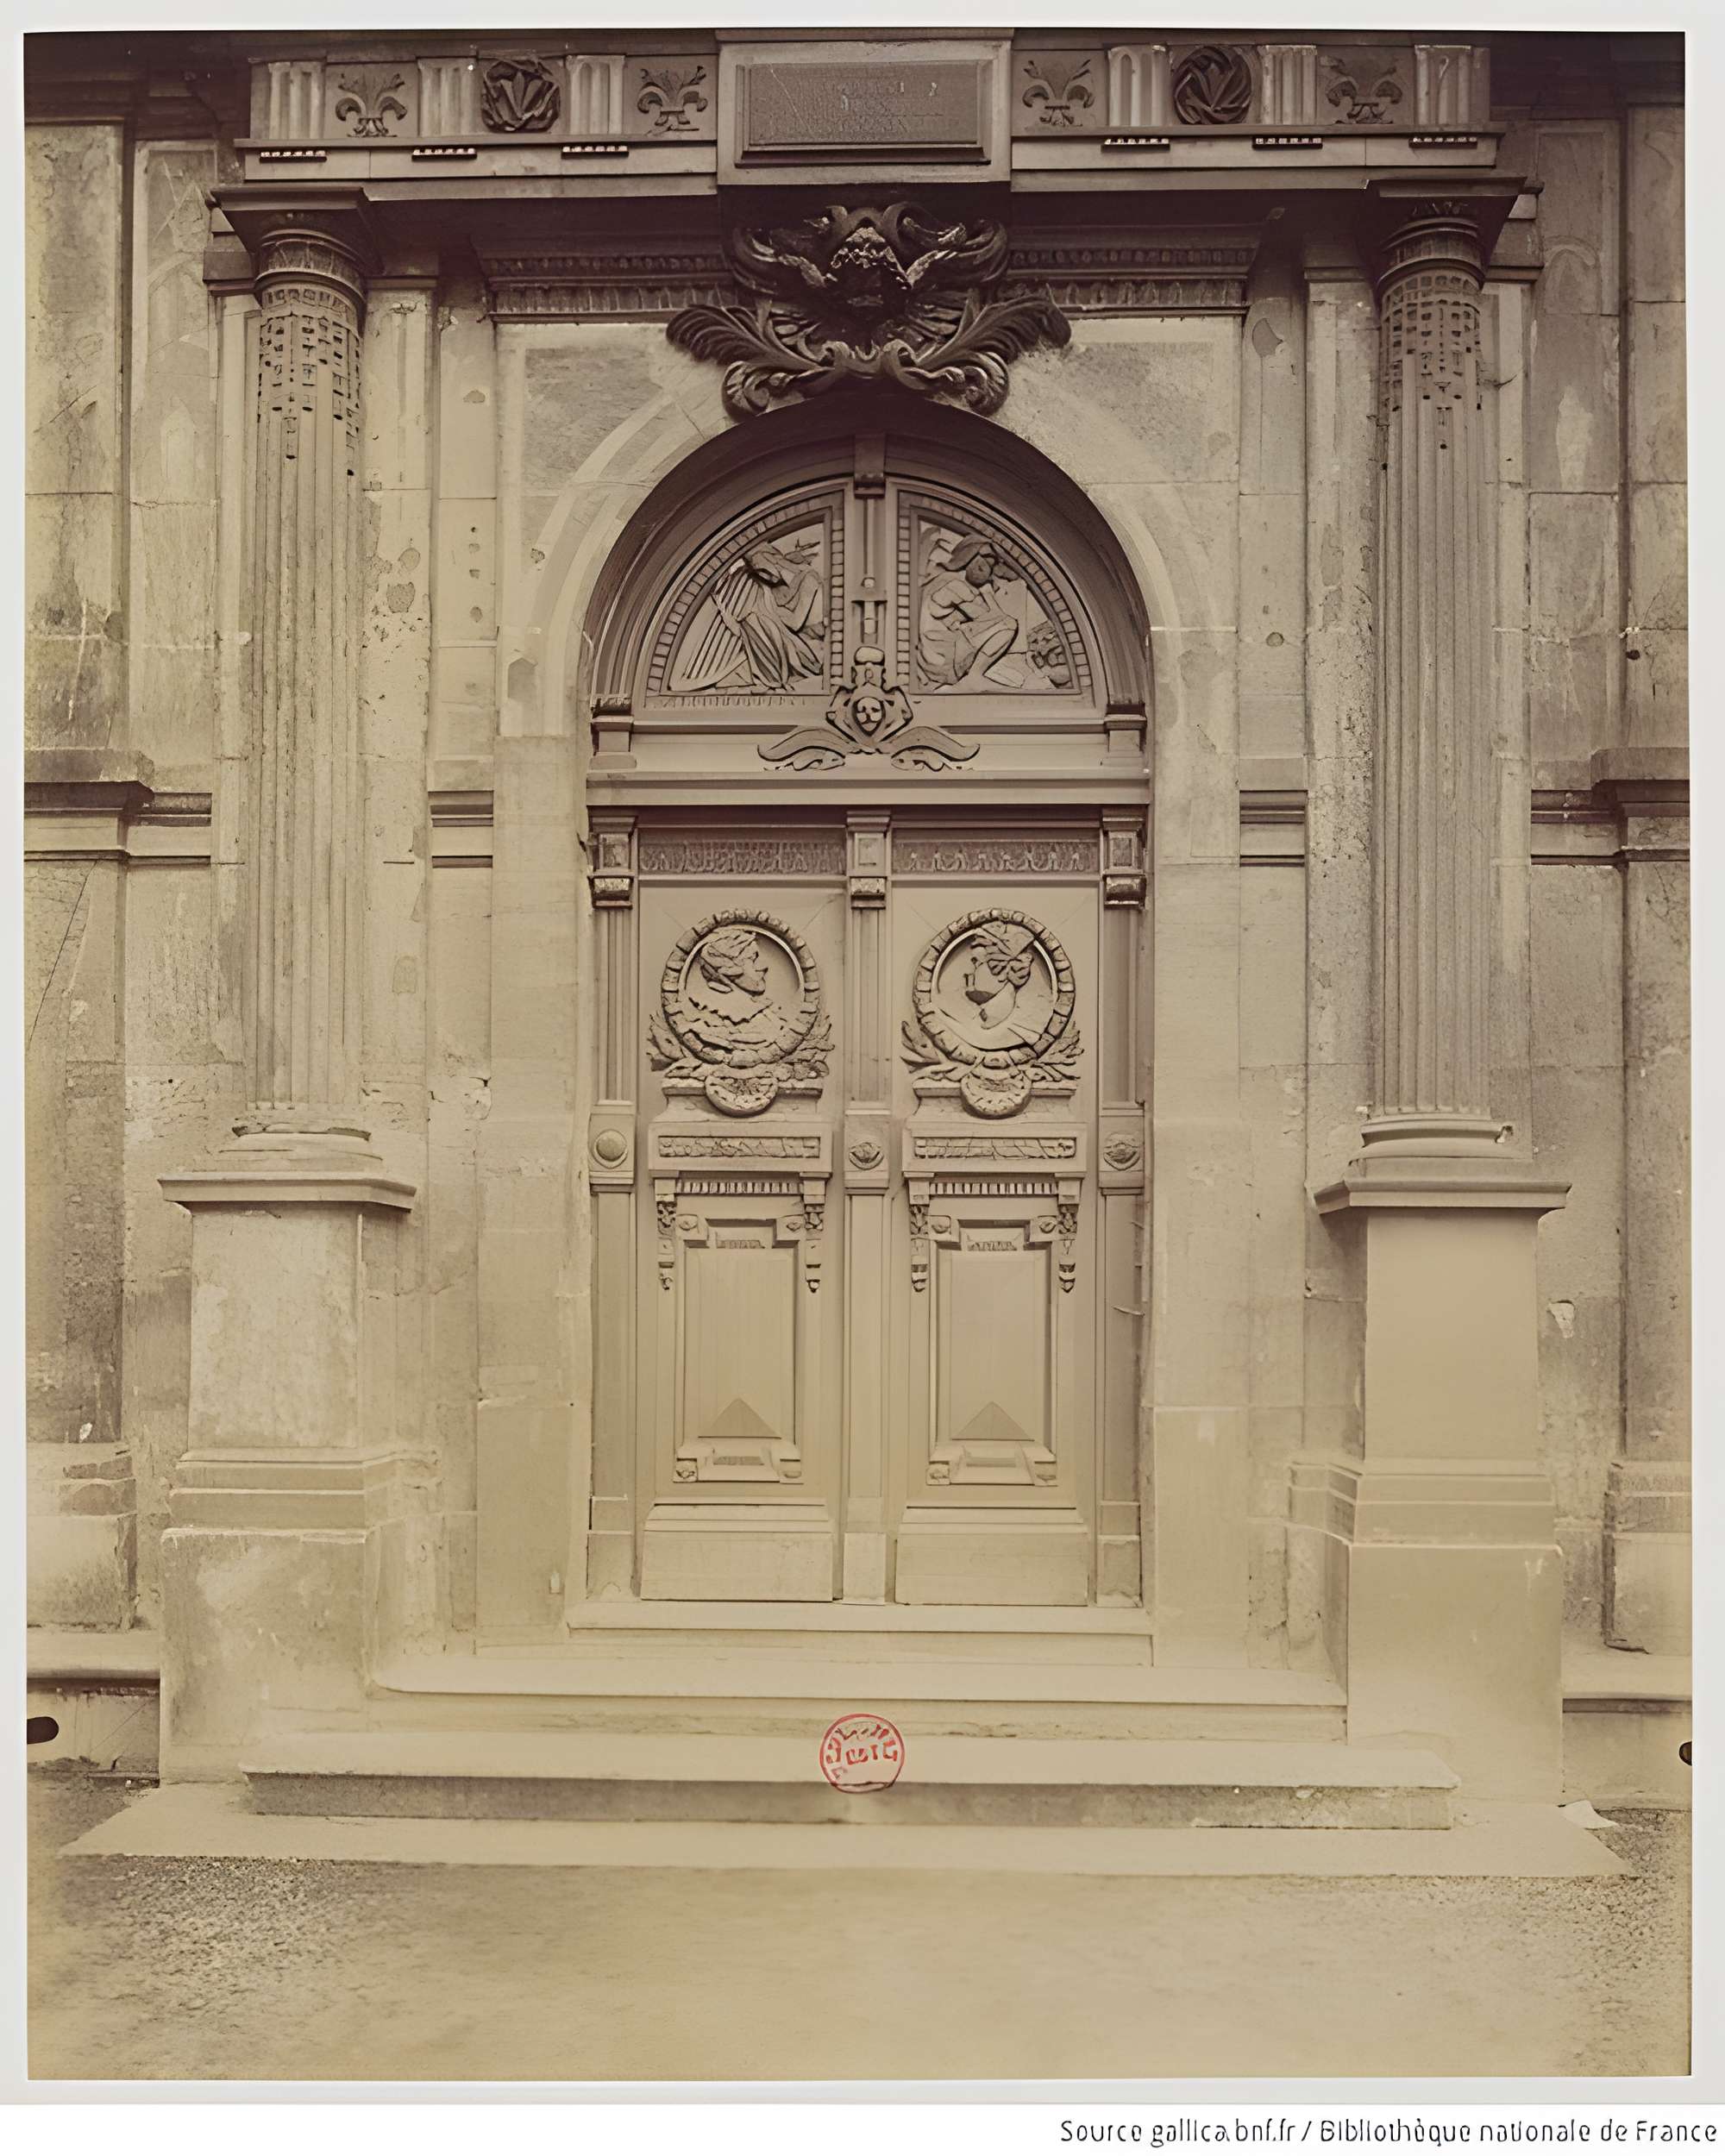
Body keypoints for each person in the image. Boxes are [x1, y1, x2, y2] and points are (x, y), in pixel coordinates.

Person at [917, 536, 1025, 690]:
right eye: (981, 562)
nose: (984, 570)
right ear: (967, 557)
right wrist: (988, 594)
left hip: (936, 657)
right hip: (943, 659)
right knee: (1009, 624)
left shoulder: (947, 579)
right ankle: (975, 675)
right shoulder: (955, 584)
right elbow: (996, 619)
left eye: (991, 566)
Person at [679, 927, 802, 1061]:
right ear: (729, 972)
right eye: (752, 959)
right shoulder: (711, 1028)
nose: (763, 966)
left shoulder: (767, 1016)